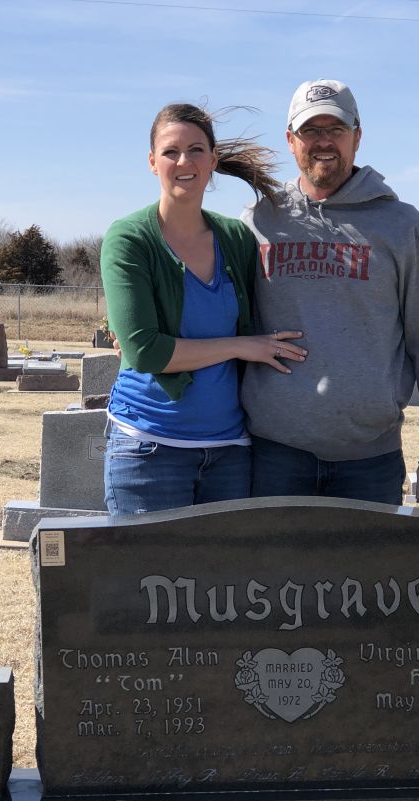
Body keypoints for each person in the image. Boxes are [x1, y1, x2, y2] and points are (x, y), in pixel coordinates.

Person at [241, 79, 419, 505]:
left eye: (336, 129)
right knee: (273, 573)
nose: (324, 142)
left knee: (366, 573)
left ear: (357, 138)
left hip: (370, 459)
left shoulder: (400, 224)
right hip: (272, 452)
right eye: (310, 130)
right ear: (290, 140)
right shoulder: (258, 221)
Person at [99, 103, 307, 516]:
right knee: (147, 580)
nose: (183, 161)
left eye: (196, 150)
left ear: (213, 160)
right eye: (171, 151)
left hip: (230, 451)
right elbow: (145, 352)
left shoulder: (236, 237)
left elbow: (263, 317)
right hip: (148, 447)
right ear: (152, 162)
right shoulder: (129, 240)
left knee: (221, 581)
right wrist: (240, 346)